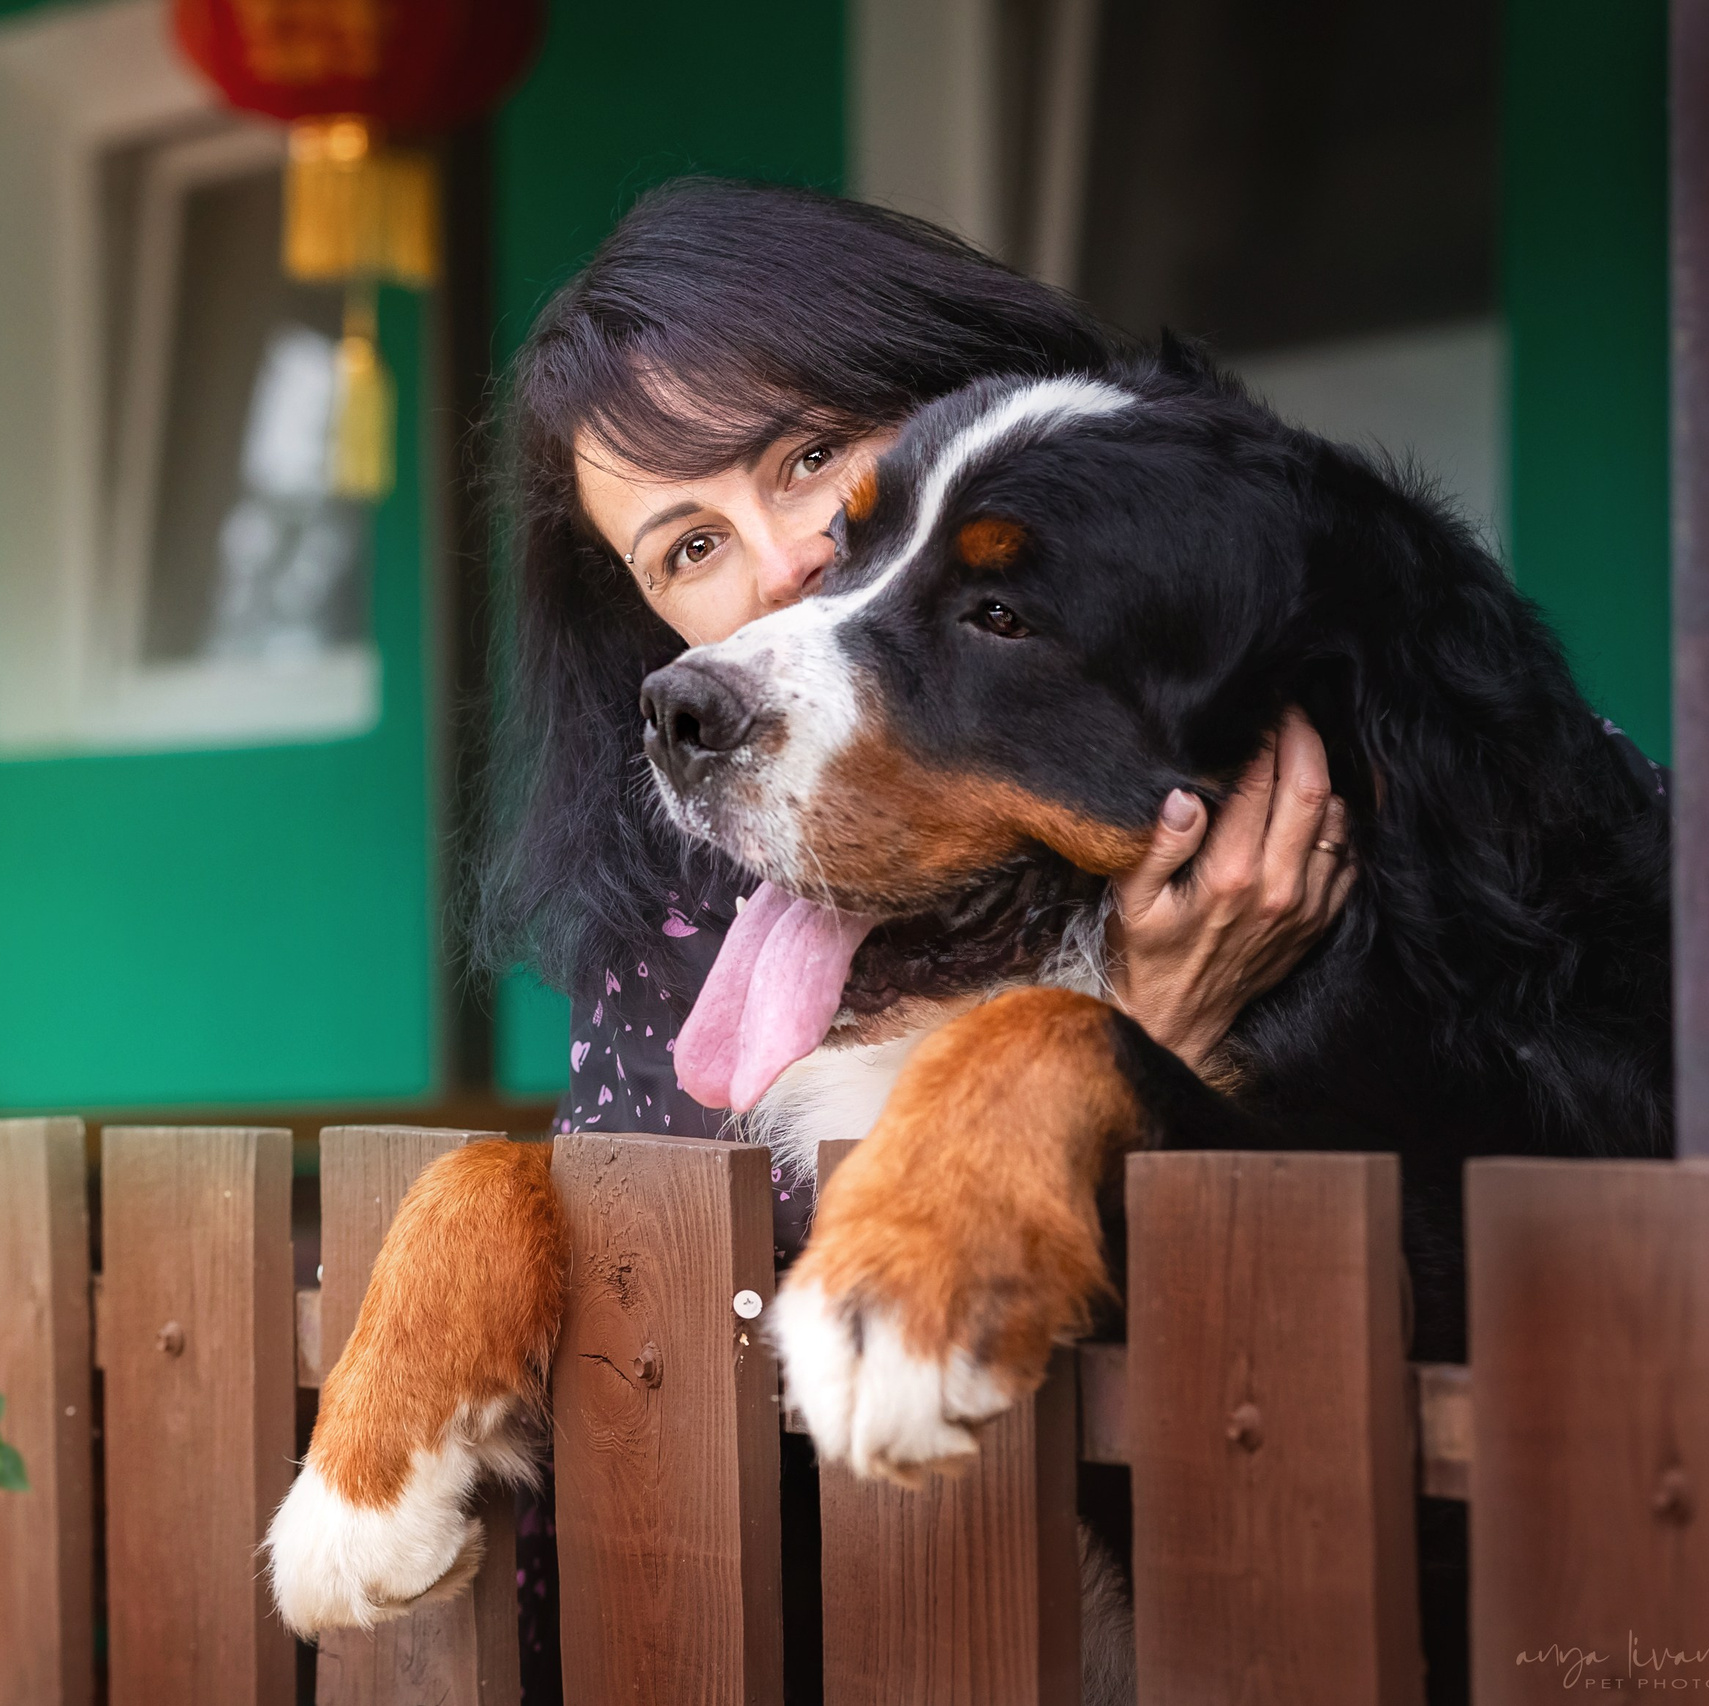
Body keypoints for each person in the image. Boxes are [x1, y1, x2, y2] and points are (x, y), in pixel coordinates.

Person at [482, 176, 1353, 1705]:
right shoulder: (698, 924)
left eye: (814, 456)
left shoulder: (1294, 679)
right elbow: (666, 1368)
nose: (789, 561)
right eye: (690, 549)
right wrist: (1154, 1038)